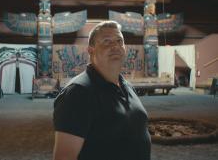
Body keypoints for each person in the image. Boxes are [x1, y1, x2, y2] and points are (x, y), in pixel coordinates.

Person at [53, 21, 151, 160]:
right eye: (107, 41)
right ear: (91, 50)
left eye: (119, 41)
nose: (115, 46)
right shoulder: (78, 93)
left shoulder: (127, 87)